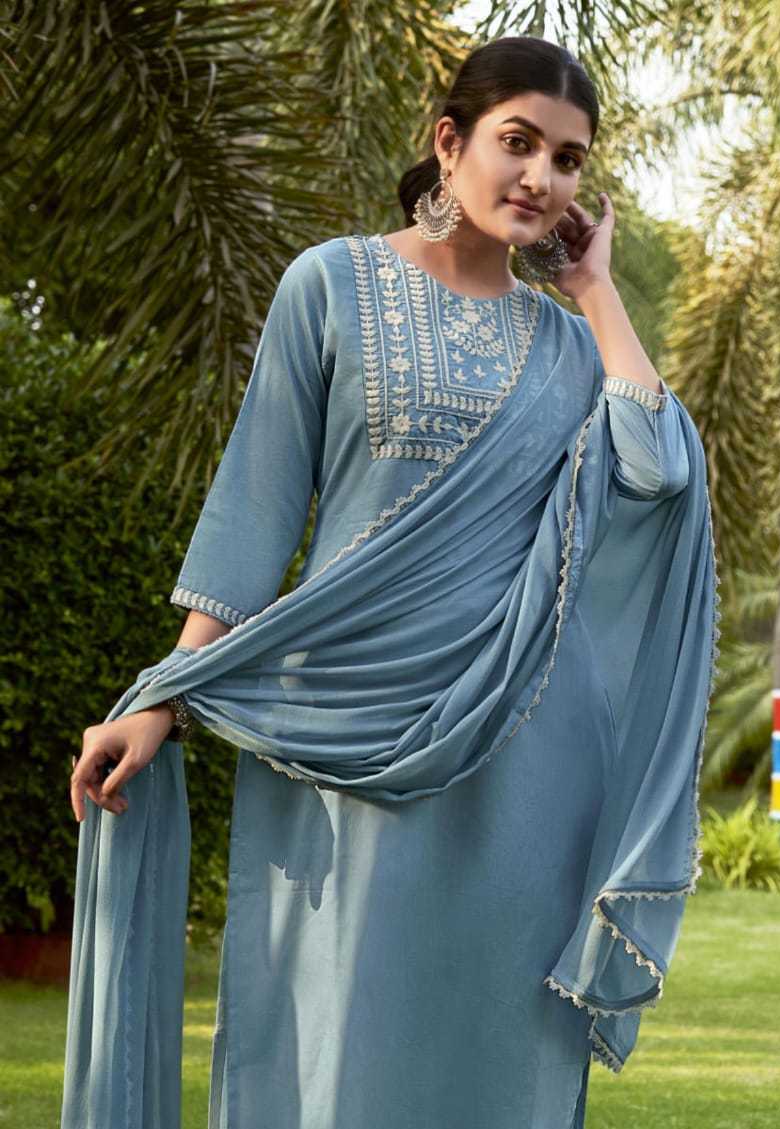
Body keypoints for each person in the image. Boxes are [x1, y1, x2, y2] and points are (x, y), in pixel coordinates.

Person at [60, 37, 719, 1129]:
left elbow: (657, 471)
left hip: (515, 750)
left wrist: (597, 290)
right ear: (449, 143)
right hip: (339, 732)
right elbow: (258, 503)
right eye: (518, 142)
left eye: (567, 159)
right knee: (332, 1045)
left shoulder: (570, 352)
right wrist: (168, 692)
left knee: (491, 1053)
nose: (541, 178)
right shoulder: (330, 284)